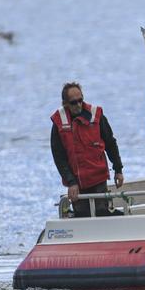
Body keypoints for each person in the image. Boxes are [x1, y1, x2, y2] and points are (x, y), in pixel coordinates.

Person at [50, 81, 124, 217]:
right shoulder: (59, 124)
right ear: (65, 103)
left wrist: (118, 169)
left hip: (98, 178)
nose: (78, 105)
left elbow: (110, 143)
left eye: (80, 100)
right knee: (82, 215)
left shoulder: (96, 115)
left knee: (102, 212)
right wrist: (71, 182)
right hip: (77, 182)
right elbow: (59, 157)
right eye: (73, 102)